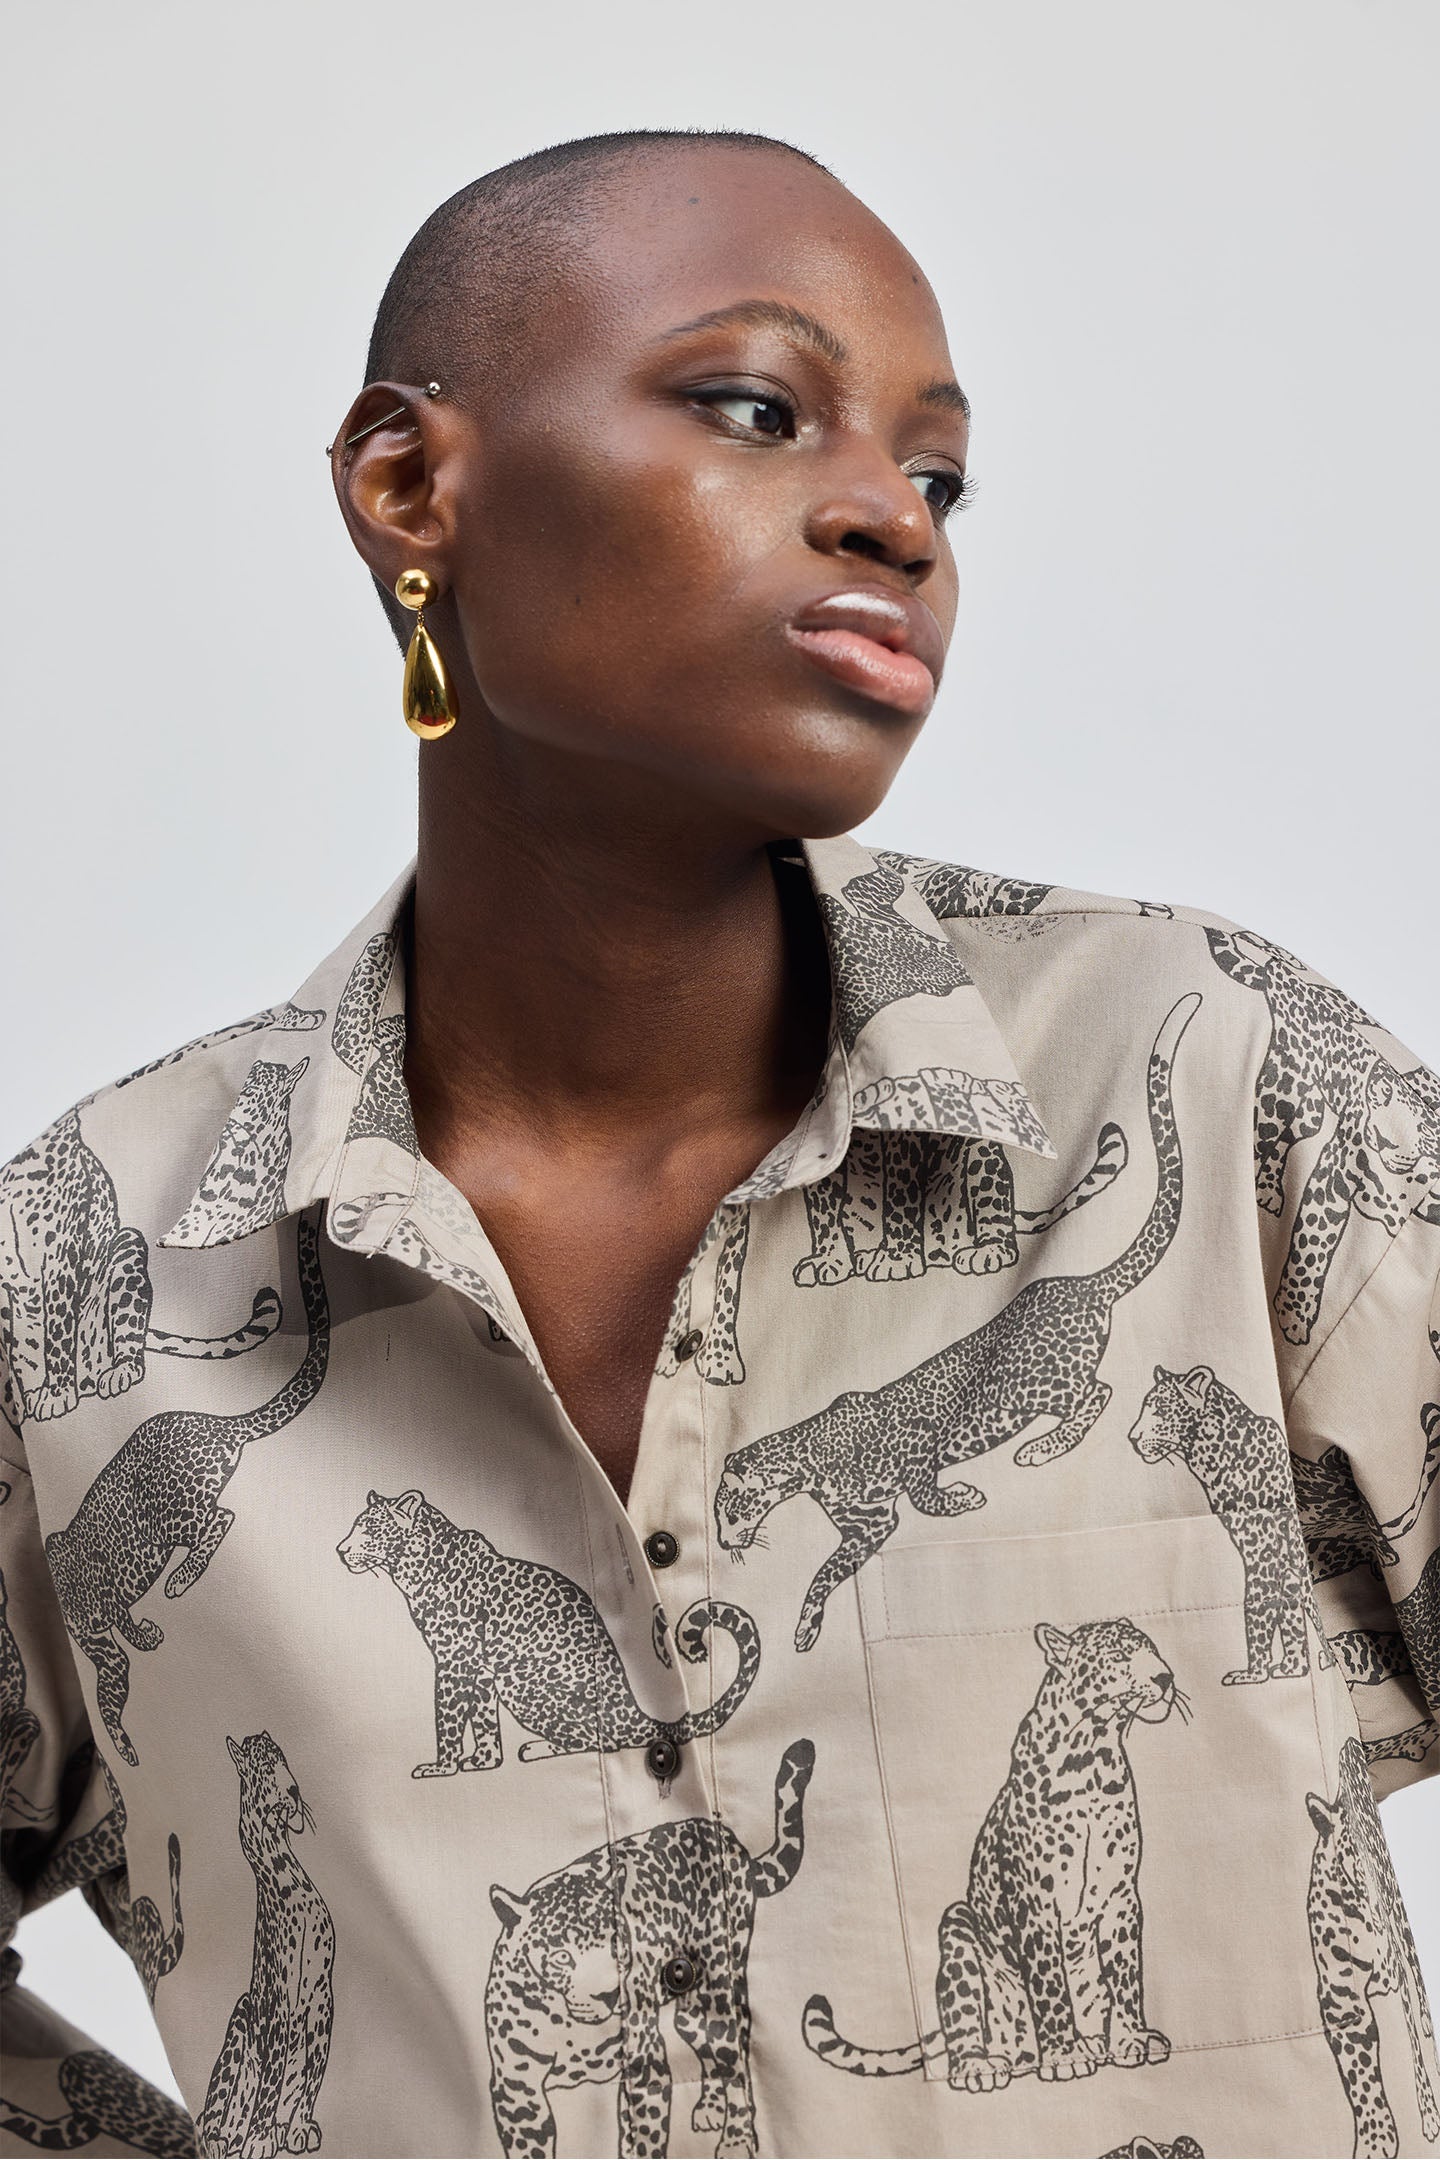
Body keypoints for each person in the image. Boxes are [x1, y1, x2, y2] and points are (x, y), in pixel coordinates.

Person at [1, 126, 1436, 2160]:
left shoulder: (1209, 1073)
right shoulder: (86, 1270)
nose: (895, 523)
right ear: (411, 486)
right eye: (760, 410)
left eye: (936, 476)